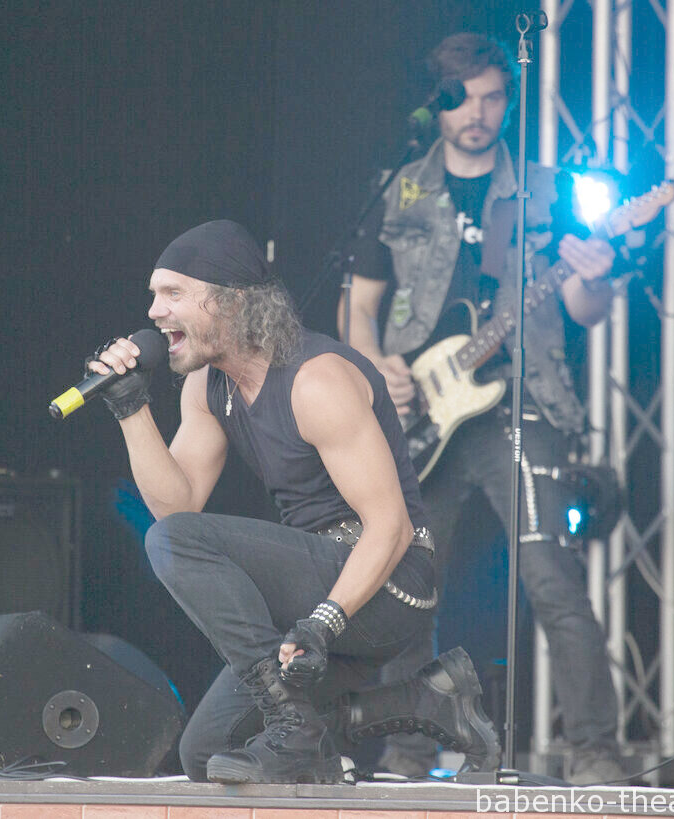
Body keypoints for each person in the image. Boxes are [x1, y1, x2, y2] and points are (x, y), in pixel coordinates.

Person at [85, 219, 500, 784]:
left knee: (174, 543)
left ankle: (293, 723)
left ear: (230, 301)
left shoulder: (316, 380)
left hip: (386, 585)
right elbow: (175, 507)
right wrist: (130, 409)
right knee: (206, 754)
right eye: (154, 295)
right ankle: (425, 702)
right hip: (315, 587)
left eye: (172, 293)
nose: (154, 311)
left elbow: (392, 527)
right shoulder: (207, 386)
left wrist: (322, 623)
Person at [337, 33, 623, 785]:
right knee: (405, 586)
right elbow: (358, 307)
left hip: (519, 404)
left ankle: (594, 749)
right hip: (420, 418)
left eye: (495, 97)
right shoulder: (399, 188)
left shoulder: (545, 190)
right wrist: (375, 369)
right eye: (464, 98)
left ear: (509, 101)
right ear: (438, 103)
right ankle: (406, 751)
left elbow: (585, 309)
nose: (479, 113)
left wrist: (599, 274)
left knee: (552, 578)